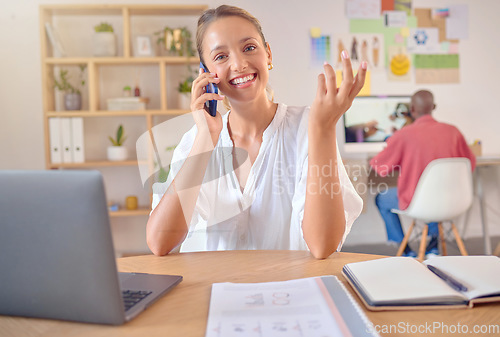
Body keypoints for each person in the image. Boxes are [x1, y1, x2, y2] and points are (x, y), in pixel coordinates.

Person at [146, 5, 367, 258]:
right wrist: (205, 140)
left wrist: (324, 129)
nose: (239, 64)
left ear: (268, 54)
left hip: (290, 293)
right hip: (211, 293)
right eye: (221, 57)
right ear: (206, 73)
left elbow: (322, 246)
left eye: (249, 48)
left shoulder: (310, 127)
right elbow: (159, 242)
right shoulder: (195, 141)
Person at [370, 90, 476, 257]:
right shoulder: (453, 132)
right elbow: (470, 164)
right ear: (433, 107)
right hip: (451, 200)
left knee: (380, 198)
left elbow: (378, 166)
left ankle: (405, 250)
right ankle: (433, 245)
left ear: (412, 109)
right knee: (436, 193)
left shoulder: (403, 135)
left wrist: (398, 154)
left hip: (418, 201)